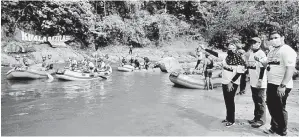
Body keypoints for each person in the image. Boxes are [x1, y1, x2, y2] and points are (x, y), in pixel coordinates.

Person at [256, 28, 297, 136]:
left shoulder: (287, 50)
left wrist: (283, 85)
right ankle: (274, 126)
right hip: (271, 82)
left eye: (276, 38)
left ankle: (282, 130)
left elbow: (290, 69)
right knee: (271, 105)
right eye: (271, 38)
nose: (273, 40)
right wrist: (260, 60)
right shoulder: (272, 50)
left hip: (281, 84)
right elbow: (268, 65)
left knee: (279, 108)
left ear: (282, 38)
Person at [221, 42, 246, 127]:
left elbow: (240, 72)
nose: (231, 50)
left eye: (233, 48)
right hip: (224, 81)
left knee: (230, 100)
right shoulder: (225, 57)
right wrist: (204, 49)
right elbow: (216, 54)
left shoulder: (239, 59)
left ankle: (231, 120)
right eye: (229, 48)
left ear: (236, 49)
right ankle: (228, 117)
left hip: (233, 83)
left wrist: (231, 82)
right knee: (226, 100)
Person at [247, 37, 267, 128]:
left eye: (254, 43)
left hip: (260, 82)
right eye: (251, 42)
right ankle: (256, 118)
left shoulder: (261, 53)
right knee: (255, 101)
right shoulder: (251, 53)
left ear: (259, 43)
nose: (252, 44)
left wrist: (260, 80)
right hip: (252, 81)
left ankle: (261, 120)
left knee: (260, 101)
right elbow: (251, 66)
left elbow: (263, 68)